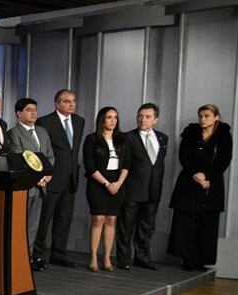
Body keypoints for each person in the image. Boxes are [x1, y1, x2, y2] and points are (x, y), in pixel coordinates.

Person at [168, 104, 233, 271]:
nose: (203, 119)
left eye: (207, 116)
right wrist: (195, 174)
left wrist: (207, 176)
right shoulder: (190, 133)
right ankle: (187, 259)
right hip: (189, 181)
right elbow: (183, 156)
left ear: (216, 117)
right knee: (187, 222)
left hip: (212, 183)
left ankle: (201, 260)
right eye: (201, 116)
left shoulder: (224, 136)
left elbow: (224, 159)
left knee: (207, 223)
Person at [35, 89, 85, 268]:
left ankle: (59, 254)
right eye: (66, 101)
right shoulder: (45, 122)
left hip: (71, 178)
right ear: (57, 104)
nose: (71, 104)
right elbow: (42, 151)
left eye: (73, 101)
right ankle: (37, 254)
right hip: (52, 178)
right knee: (44, 218)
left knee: (64, 219)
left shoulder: (79, 122)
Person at [116, 103, 168, 270]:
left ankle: (142, 257)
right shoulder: (127, 137)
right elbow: (124, 163)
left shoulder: (162, 138)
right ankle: (124, 259)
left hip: (153, 189)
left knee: (147, 226)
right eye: (140, 116)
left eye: (147, 116)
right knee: (126, 226)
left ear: (156, 120)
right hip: (132, 189)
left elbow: (158, 165)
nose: (142, 119)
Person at [6, 98, 54, 270]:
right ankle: (16, 261)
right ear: (19, 113)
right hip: (25, 187)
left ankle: (27, 260)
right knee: (19, 227)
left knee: (33, 227)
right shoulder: (14, 133)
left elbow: (50, 157)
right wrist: (38, 178)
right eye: (29, 110)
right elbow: (19, 159)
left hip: (42, 187)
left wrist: (47, 176)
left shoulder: (42, 131)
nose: (33, 113)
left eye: (35, 109)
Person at [83, 107, 131, 272]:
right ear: (102, 120)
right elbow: (90, 166)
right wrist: (106, 184)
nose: (113, 120)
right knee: (98, 220)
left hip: (118, 184)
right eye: (109, 117)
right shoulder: (91, 139)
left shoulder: (122, 140)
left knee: (111, 220)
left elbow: (127, 165)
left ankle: (107, 257)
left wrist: (117, 184)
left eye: (115, 117)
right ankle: (94, 256)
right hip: (98, 184)